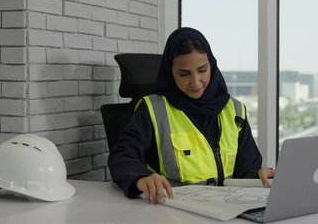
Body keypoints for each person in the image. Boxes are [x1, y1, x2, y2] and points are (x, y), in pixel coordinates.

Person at [108, 27, 274, 204]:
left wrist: (259, 175)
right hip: (173, 211)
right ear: (170, 72)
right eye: (184, 74)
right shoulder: (152, 110)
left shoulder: (235, 110)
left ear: (212, 64)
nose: (195, 82)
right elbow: (121, 157)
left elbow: (246, 168)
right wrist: (141, 178)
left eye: (202, 70)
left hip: (227, 210)